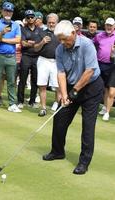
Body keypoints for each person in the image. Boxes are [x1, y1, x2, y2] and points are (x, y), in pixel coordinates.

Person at [43, 20, 104, 175]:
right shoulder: (60, 49)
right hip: (71, 87)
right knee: (59, 118)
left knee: (88, 125)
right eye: (60, 40)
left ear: (73, 33)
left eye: (65, 39)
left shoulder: (87, 44)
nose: (63, 43)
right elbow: (61, 73)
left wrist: (75, 90)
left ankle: (84, 162)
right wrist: (64, 95)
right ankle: (57, 151)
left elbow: (90, 70)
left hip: (91, 88)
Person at [34, 13, 61, 116]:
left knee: (58, 86)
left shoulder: (60, 34)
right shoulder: (41, 33)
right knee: (42, 85)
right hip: (43, 60)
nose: (51, 24)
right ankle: (43, 108)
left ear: (57, 23)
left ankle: (58, 110)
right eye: (49, 22)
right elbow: (36, 48)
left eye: (53, 22)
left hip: (56, 62)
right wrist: (42, 42)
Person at [17, 10, 41, 109]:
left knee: (35, 80)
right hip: (26, 55)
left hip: (36, 57)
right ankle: (20, 101)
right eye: (28, 17)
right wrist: (30, 43)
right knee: (22, 79)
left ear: (35, 18)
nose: (30, 19)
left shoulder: (40, 30)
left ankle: (32, 101)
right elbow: (23, 43)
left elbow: (40, 43)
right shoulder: (23, 29)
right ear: (26, 19)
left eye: (32, 17)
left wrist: (29, 42)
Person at [93, 17, 115, 120]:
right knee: (102, 88)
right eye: (107, 25)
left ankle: (107, 112)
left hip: (112, 66)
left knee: (110, 90)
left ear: (114, 26)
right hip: (100, 64)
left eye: (111, 25)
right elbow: (93, 44)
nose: (109, 27)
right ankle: (104, 107)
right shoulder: (99, 36)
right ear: (105, 25)